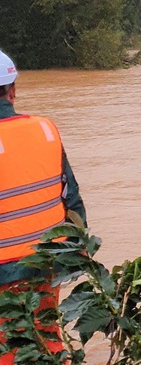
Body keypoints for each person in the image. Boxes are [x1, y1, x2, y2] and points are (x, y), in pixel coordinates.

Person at [0, 50, 87, 364]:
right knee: (46, 338)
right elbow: (72, 200)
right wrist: (80, 252)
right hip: (47, 265)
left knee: (7, 350)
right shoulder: (46, 130)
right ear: (13, 90)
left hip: (4, 271)